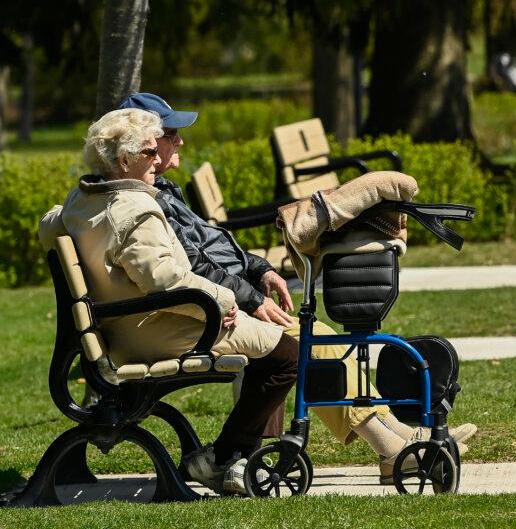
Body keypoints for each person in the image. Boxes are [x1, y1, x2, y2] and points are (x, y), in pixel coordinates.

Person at [116, 93, 476, 483]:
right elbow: (193, 265)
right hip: (202, 314)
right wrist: (252, 298)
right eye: (168, 134)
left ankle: (394, 438)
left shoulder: (164, 192)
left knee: (317, 339)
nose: (178, 141)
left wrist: (260, 269)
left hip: (216, 303)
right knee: (308, 343)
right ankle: (392, 444)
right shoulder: (148, 204)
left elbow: (213, 245)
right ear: (132, 148)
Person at [38, 109, 296, 496]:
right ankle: (223, 459)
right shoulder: (134, 211)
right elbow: (167, 282)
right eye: (148, 151)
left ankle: (231, 457)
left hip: (127, 327)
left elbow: (50, 224)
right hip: (155, 332)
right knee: (287, 355)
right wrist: (226, 303)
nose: (158, 158)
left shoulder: (80, 201)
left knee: (277, 345)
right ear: (124, 161)